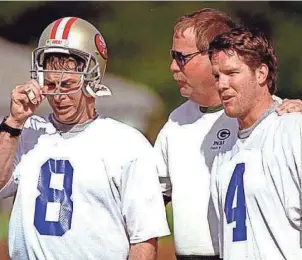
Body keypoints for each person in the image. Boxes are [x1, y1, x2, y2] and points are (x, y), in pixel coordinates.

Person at [0, 17, 170, 260]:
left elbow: (143, 238)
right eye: (49, 84)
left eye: (67, 84)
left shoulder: (127, 144)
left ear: (92, 80)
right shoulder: (27, 131)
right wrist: (14, 123)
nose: (57, 96)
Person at [154, 8, 302, 260]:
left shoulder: (284, 124)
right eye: (218, 75)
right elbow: (152, 196)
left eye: (181, 57)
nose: (172, 66)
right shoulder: (184, 127)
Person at [209, 27, 302, 259]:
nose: (221, 85)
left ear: (261, 74)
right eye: (217, 76)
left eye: (232, 73)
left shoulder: (291, 129)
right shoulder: (224, 148)